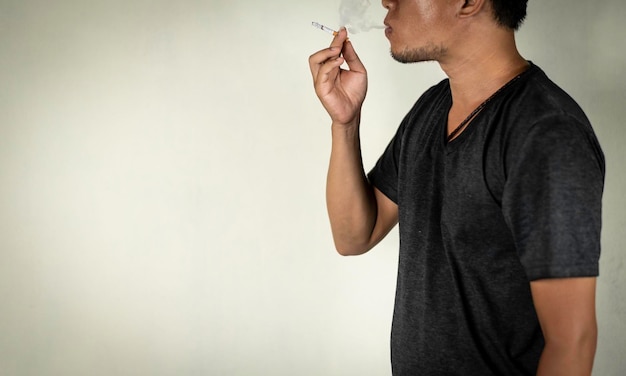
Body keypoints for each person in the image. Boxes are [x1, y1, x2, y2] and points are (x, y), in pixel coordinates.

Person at [308, 0, 605, 375]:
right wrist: (345, 124)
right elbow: (354, 236)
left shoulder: (545, 135)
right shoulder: (432, 108)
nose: (386, 1)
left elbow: (572, 344)